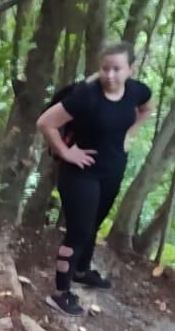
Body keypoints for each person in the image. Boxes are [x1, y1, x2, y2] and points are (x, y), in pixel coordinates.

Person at [35, 43, 153, 316]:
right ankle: (60, 293)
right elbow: (45, 122)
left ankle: (81, 270)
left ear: (130, 70)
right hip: (79, 173)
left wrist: (130, 134)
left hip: (112, 170)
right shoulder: (86, 96)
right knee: (79, 232)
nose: (110, 75)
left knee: (94, 225)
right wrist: (66, 152)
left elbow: (147, 108)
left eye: (117, 69)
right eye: (105, 68)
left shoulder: (136, 91)